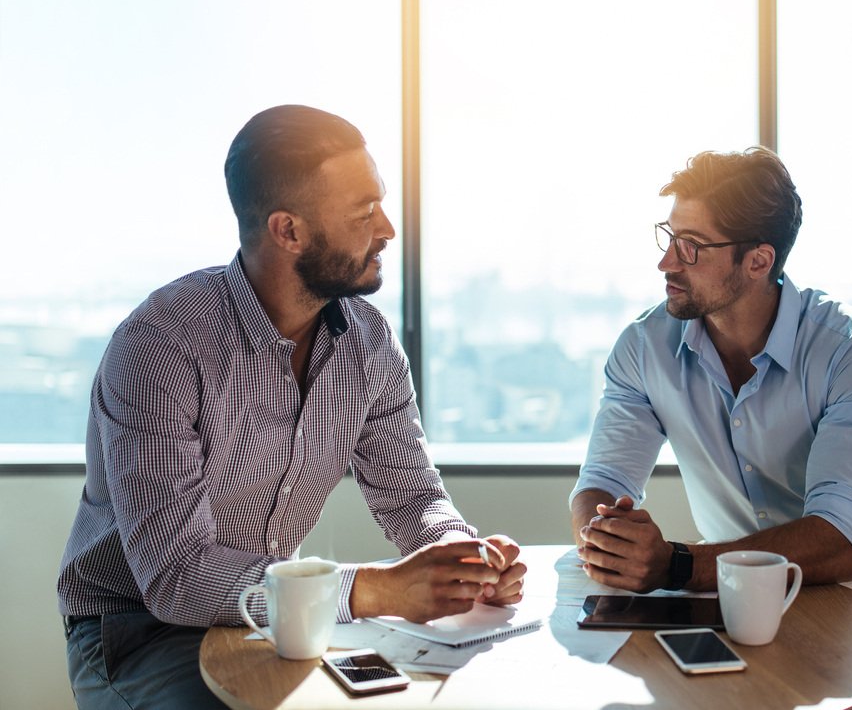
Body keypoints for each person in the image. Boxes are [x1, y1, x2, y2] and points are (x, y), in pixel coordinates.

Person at [57, 105, 526, 709]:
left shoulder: (370, 342)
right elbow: (174, 578)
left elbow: (412, 496)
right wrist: (375, 590)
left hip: (285, 615)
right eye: (364, 212)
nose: (387, 227)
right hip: (137, 631)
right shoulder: (162, 345)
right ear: (289, 231)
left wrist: (463, 557)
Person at [570, 146, 852, 621]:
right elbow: (602, 483)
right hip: (719, 580)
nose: (667, 262)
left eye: (691, 245)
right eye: (668, 236)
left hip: (847, 583)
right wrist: (609, 543)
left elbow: (838, 539)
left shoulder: (850, 351)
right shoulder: (644, 347)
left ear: (757, 261)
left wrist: (677, 565)